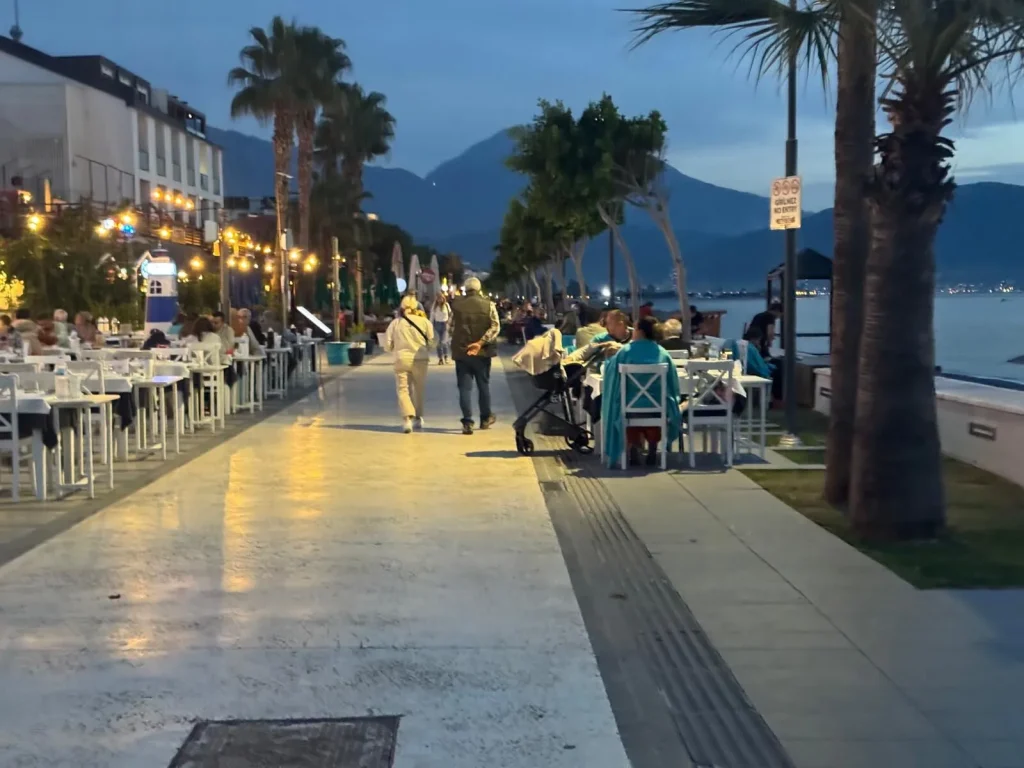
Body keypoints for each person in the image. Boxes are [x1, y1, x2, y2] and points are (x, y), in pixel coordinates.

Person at [600, 316, 681, 467]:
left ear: (640, 331)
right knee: (661, 405)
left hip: (630, 407)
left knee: (623, 404)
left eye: (635, 328)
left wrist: (608, 359)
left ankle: (634, 447)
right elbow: (673, 384)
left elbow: (611, 374)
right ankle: (652, 446)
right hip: (657, 408)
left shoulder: (625, 352)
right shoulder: (663, 353)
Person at [448, 276, 499, 435]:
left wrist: (462, 342)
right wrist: (480, 342)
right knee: (483, 385)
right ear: (479, 289)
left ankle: (467, 422)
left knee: (464, 388)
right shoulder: (489, 305)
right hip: (482, 352)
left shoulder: (456, 305)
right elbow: (495, 327)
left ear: (466, 288)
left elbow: (450, 327)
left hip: (462, 352)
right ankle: (485, 418)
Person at [386, 295, 435, 433]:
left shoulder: (395, 323)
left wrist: (394, 348)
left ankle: (407, 419)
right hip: (420, 359)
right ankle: (418, 417)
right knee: (419, 389)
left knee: (403, 389)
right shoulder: (425, 322)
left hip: (401, 359)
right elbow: (431, 342)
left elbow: (387, 344)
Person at [430, 293, 452, 365]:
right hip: (437, 324)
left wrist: (449, 321)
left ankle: (446, 356)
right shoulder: (434, 306)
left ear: (443, 298)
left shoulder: (446, 305)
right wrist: (430, 325)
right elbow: (432, 316)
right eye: (438, 298)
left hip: (445, 324)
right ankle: (440, 358)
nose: (440, 300)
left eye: (441, 298)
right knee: (438, 343)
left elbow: (450, 314)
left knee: (444, 342)